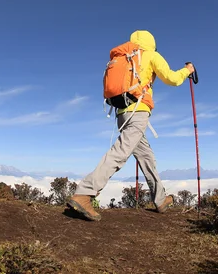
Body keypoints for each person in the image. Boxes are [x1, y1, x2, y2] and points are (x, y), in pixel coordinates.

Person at [68, 30, 195, 221]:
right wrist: (188, 70)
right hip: (138, 112)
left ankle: (160, 199)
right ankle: (85, 193)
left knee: (146, 156)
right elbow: (172, 79)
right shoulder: (150, 55)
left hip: (121, 113)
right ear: (151, 43)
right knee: (120, 152)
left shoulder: (124, 57)